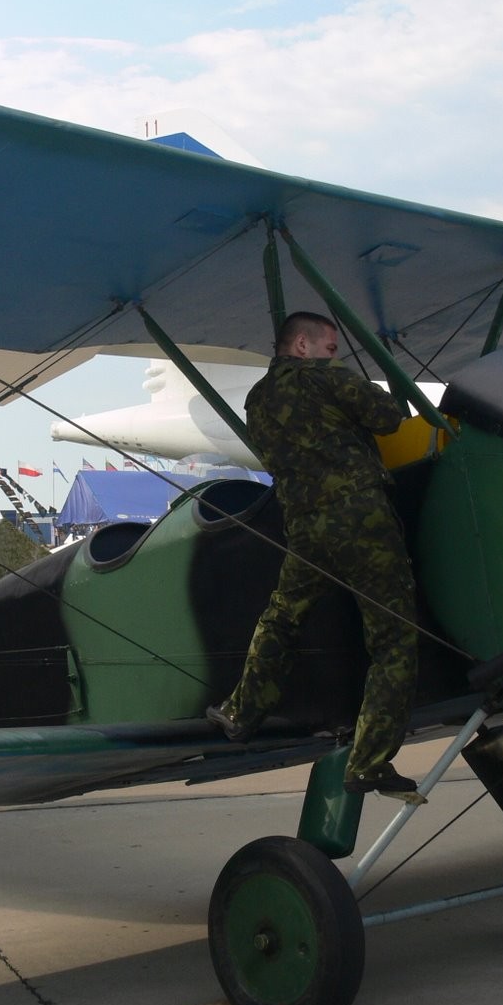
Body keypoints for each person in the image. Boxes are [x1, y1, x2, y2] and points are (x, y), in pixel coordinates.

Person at [206, 311, 422, 796]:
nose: (335, 357)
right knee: (392, 640)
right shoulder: (328, 379)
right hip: (360, 520)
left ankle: (242, 710)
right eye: (330, 348)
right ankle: (369, 761)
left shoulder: (257, 399)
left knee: (283, 616)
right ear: (302, 346)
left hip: (305, 526)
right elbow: (390, 418)